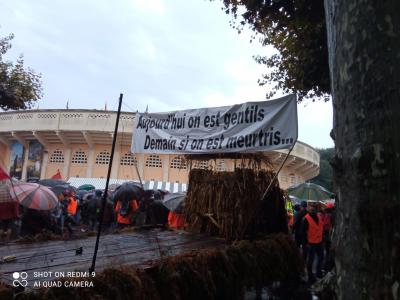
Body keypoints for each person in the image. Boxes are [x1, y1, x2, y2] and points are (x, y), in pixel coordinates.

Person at [302, 201, 324, 284]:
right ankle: (310, 275)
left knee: (321, 257)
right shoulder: (306, 219)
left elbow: (321, 228)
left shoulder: (319, 216)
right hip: (310, 243)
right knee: (310, 260)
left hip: (319, 242)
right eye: (311, 206)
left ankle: (318, 272)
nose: (312, 208)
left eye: (314, 206)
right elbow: (303, 233)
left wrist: (323, 238)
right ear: (308, 208)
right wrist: (305, 244)